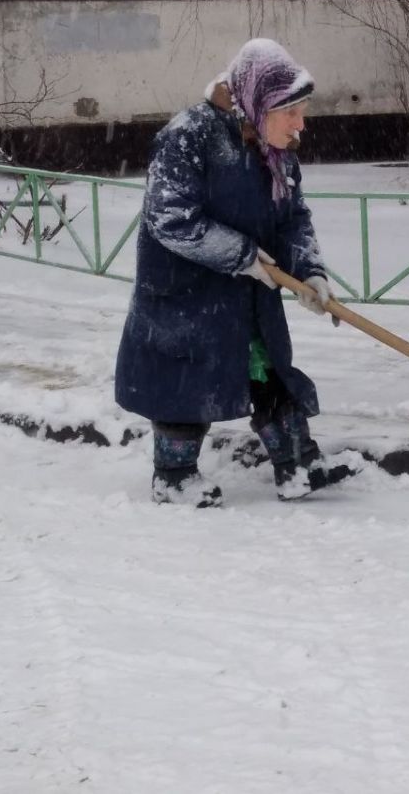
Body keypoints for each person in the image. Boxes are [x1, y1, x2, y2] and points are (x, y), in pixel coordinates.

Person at [115, 38, 339, 507]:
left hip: (248, 291)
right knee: (183, 388)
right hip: (186, 294)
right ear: (260, 104)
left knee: (270, 372)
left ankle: (298, 465)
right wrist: (242, 256)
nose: (302, 123)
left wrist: (310, 271)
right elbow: (170, 217)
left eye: (302, 110)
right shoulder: (190, 136)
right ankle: (174, 478)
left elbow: (293, 217)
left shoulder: (278, 151)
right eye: (291, 111)